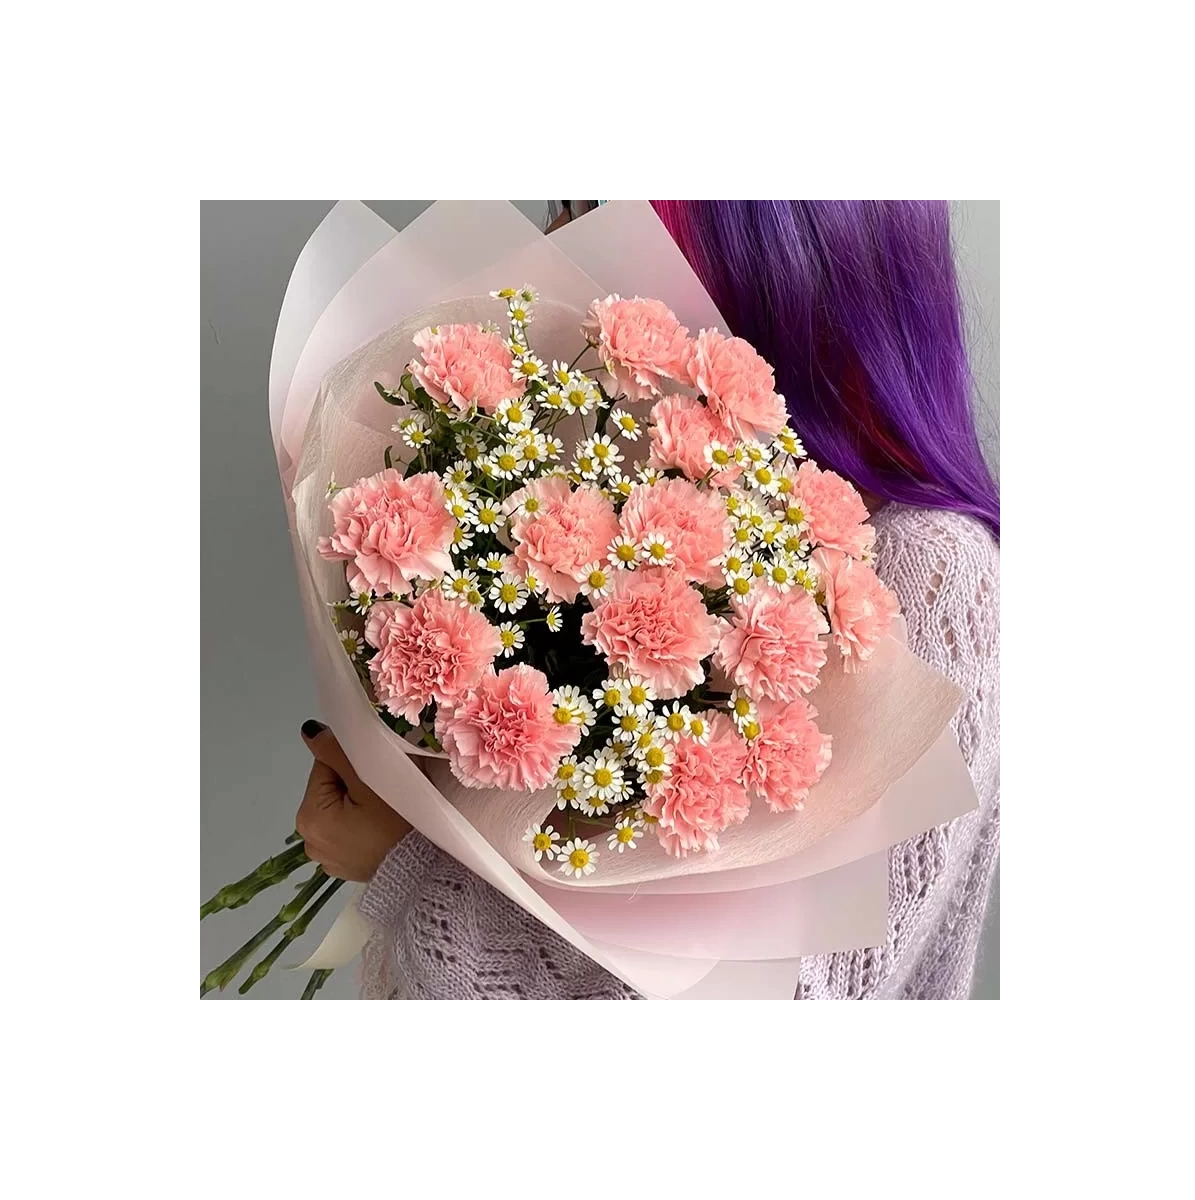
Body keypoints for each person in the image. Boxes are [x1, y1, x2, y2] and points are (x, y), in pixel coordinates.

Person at [294, 200, 1001, 1000]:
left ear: (782, 258)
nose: (551, 241)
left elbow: (781, 995)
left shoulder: (933, 574)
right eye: (564, 205)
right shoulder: (635, 484)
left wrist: (402, 864)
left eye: (601, 209)